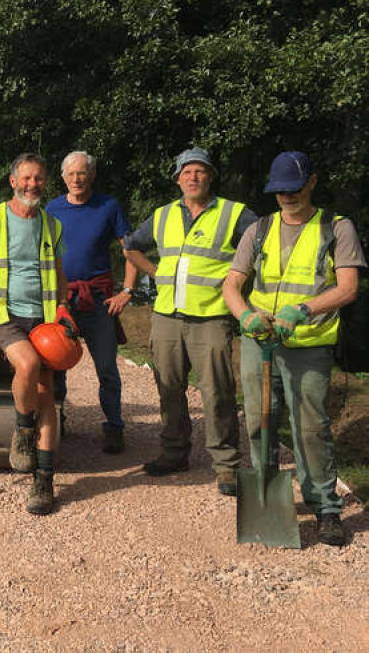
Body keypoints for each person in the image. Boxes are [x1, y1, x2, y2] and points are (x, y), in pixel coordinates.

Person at [223, 151, 365, 546]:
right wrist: (244, 316)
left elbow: (349, 288)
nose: (287, 196)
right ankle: (266, 490)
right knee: (258, 419)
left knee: (310, 428)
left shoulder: (336, 228)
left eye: (295, 188)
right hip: (260, 342)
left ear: (312, 182)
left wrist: (303, 309)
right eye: (280, 190)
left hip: (309, 346)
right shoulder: (261, 228)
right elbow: (232, 284)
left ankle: (325, 506)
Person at [124, 147, 255, 496]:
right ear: (178, 178)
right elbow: (130, 246)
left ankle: (226, 466)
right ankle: (174, 453)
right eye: (187, 172)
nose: (193, 177)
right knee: (169, 388)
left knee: (217, 392)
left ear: (211, 176)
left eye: (200, 171)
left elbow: (261, 248)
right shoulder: (163, 214)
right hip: (167, 315)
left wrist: (239, 285)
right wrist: (157, 273)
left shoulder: (234, 214)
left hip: (211, 317)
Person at [0, 152, 76, 515]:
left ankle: (44, 482)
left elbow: (58, 275)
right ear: (13, 181)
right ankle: (23, 431)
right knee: (26, 366)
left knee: (46, 397)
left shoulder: (51, 225)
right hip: (3, 314)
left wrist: (62, 310)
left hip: (43, 319)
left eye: (39, 179)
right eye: (26, 178)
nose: (32, 185)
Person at [46, 151, 135, 453]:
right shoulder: (52, 208)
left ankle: (114, 426)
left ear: (92, 175)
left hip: (98, 300)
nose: (77, 179)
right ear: (63, 178)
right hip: (61, 299)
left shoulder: (108, 206)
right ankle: (56, 420)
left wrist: (128, 291)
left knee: (107, 367)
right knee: (54, 363)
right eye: (71, 174)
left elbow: (130, 250)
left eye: (82, 173)